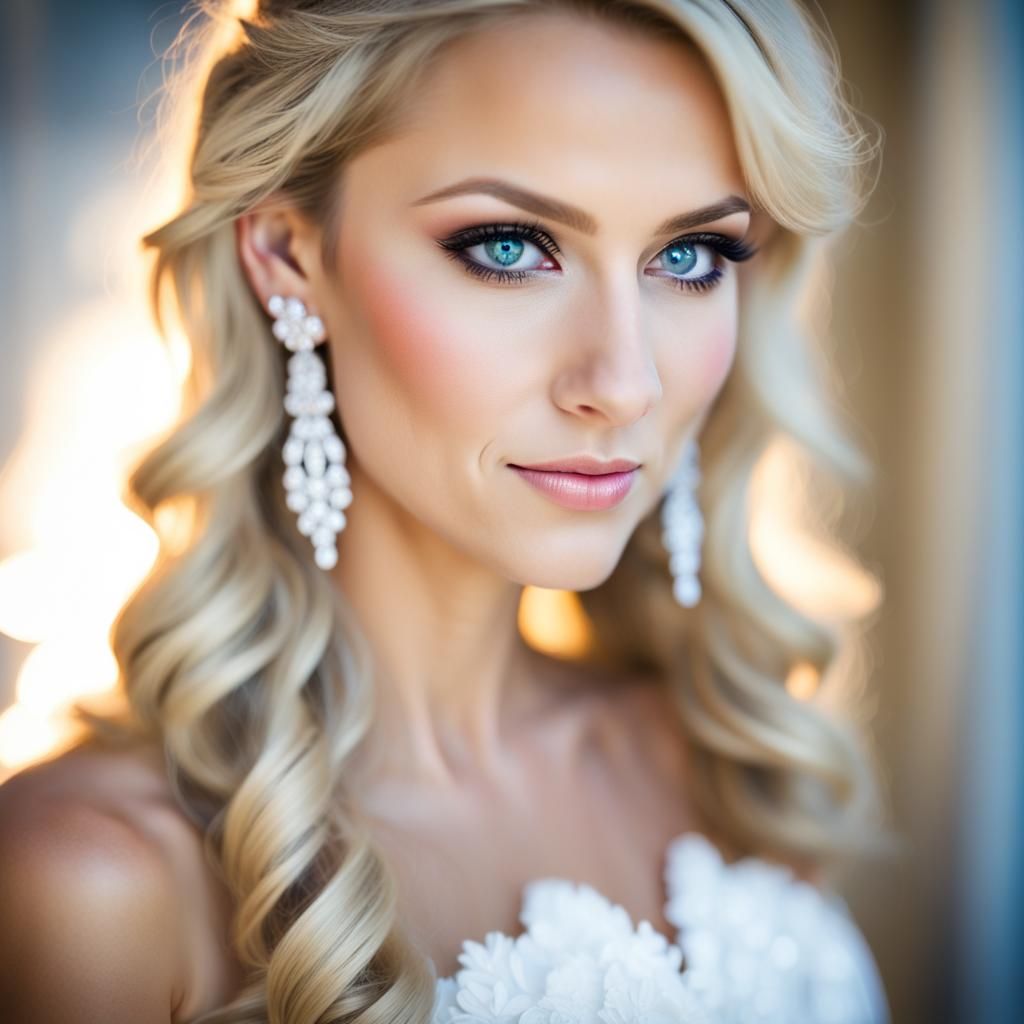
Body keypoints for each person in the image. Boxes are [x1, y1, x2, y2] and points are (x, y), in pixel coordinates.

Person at [0, 0, 894, 1021]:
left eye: (688, 257)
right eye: (511, 247)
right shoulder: (95, 882)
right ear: (287, 254)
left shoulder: (725, 764)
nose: (624, 381)